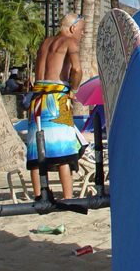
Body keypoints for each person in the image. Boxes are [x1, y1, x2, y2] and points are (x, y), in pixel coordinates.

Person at [27, 13, 87, 200]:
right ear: (72, 28)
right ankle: (68, 198)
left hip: (36, 99)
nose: (82, 34)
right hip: (56, 98)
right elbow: (77, 69)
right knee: (64, 151)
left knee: (37, 150)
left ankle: (39, 197)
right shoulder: (70, 42)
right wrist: (74, 90)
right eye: (81, 30)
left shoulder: (45, 43)